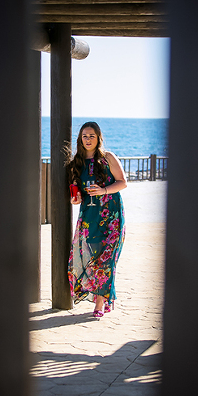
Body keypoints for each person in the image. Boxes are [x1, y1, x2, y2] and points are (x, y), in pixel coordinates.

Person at [66, 121, 127, 318]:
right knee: (90, 258)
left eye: (92, 136)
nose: (88, 139)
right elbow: (76, 192)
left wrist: (104, 190)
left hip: (112, 216)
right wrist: (75, 199)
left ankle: (99, 303)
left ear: (98, 138)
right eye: (85, 136)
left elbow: (123, 182)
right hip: (89, 217)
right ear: (80, 139)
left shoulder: (108, 158)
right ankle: (102, 298)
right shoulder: (77, 163)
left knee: (107, 259)